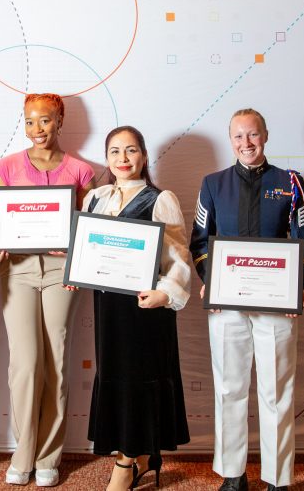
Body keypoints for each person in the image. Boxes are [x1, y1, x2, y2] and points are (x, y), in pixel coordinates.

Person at [189, 109, 304, 491]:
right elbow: (200, 240)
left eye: (253, 135)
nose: (247, 143)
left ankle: (278, 478)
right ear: (231, 141)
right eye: (239, 137)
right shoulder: (212, 184)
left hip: (277, 305)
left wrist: (299, 285)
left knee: (277, 389)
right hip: (226, 304)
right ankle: (233, 474)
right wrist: (211, 281)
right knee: (229, 388)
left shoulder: (290, 182)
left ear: (266, 135)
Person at [0, 93, 95, 487]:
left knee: (56, 360)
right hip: (16, 269)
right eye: (30, 121)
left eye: (45, 120)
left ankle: (49, 456)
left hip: (60, 271)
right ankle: (23, 453)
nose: (37, 129)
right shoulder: (4, 167)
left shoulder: (82, 172)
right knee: (26, 363)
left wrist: (77, 258)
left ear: (60, 120)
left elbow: (88, 228)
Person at [84, 125, 191, 491]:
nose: (123, 159)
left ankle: (127, 461)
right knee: (115, 375)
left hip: (145, 308)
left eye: (131, 151)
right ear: (107, 158)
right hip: (108, 309)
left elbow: (178, 257)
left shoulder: (160, 199)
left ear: (143, 156)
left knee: (138, 380)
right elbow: (87, 251)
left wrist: (167, 292)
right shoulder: (95, 198)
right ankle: (142, 456)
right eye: (115, 151)